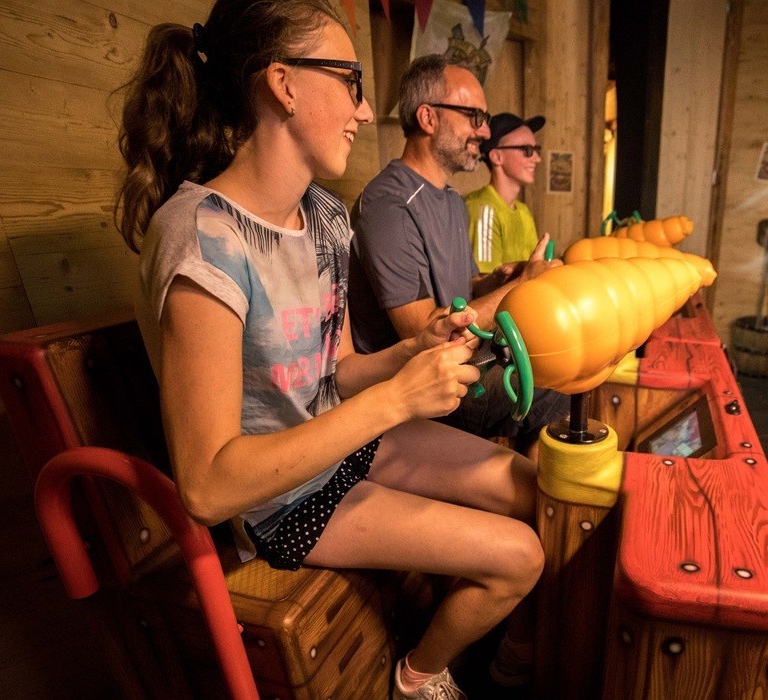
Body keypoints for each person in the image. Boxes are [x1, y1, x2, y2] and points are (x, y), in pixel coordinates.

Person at [114, 3, 541, 698]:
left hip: (348, 444)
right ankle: (419, 679)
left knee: (532, 487)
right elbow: (208, 486)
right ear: (282, 85)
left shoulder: (324, 216)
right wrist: (396, 402)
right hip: (281, 501)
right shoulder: (199, 237)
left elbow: (335, 371)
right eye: (350, 80)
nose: (366, 111)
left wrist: (409, 355)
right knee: (518, 557)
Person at [348, 55, 567, 460]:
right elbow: (421, 336)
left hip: (466, 363)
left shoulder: (449, 199)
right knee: (557, 389)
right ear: (428, 118)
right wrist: (526, 285)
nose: (484, 131)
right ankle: (537, 508)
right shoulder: (388, 203)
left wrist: (503, 279)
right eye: (473, 116)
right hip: (420, 391)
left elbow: (464, 291)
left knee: (564, 364)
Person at [465, 112, 546, 274]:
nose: (537, 158)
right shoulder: (483, 209)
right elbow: (485, 282)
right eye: (527, 150)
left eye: (536, 149)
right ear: (496, 157)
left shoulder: (523, 211)